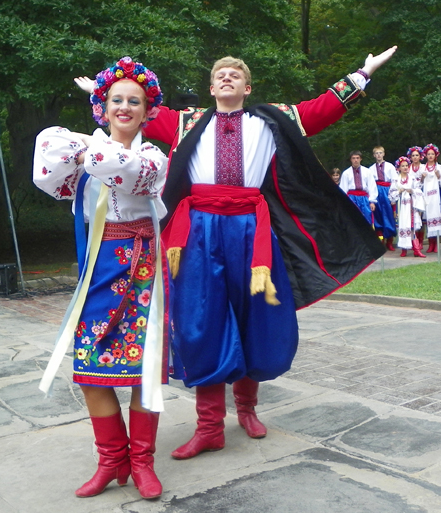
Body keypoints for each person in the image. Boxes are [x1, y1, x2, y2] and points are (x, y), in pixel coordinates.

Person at [75, 46, 396, 461]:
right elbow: (134, 108)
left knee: (255, 317)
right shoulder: (185, 121)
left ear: (247, 87)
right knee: (201, 322)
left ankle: (246, 410)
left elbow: (322, 109)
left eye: (235, 75)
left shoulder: (273, 119)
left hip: (252, 229)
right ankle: (208, 427)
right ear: (210, 87)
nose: (227, 78)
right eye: (220, 74)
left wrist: (363, 73)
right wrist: (101, 90)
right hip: (198, 232)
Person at [34, 57, 169, 499]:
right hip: (98, 267)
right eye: (116, 99)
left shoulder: (152, 156)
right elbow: (49, 166)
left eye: (135, 100)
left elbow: (125, 171)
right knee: (91, 369)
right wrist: (80, 142)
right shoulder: (83, 155)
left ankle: (143, 462)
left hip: (142, 266)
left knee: (143, 368)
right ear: (102, 107)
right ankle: (112, 460)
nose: (125, 106)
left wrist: (85, 142)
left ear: (149, 110)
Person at [388, 156, 425, 257]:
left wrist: (412, 191)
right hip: (401, 206)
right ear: (398, 168)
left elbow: (419, 190)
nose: (405, 167)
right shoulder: (396, 180)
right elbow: (391, 194)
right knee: (402, 226)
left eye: (406, 166)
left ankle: (416, 249)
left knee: (412, 227)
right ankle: (403, 249)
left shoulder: (412, 178)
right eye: (402, 166)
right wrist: (399, 192)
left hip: (410, 206)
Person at [369, 146, 397, 250]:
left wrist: (393, 197)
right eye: (376, 153)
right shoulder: (371, 169)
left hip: (387, 190)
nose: (379, 155)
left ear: (384, 154)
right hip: (377, 191)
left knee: (389, 215)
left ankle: (390, 241)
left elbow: (394, 181)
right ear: (374, 155)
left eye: (380, 153)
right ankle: (381, 240)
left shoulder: (390, 166)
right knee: (378, 215)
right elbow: (370, 184)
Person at [339, 150, 378, 224]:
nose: (355, 160)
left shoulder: (367, 171)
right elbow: (343, 189)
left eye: (357, 158)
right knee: (352, 218)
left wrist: (372, 201)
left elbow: (372, 186)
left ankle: (367, 234)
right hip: (351, 198)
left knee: (366, 218)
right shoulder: (346, 173)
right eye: (353, 158)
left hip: (364, 198)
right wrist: (344, 202)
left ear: (360, 159)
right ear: (350, 160)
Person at [421, 143, 441, 253]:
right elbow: (418, 184)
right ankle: (430, 244)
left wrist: (439, 176)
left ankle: (437, 244)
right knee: (428, 219)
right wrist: (422, 178)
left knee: (436, 218)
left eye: (432, 154)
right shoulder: (423, 168)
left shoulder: (439, 167)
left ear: (435, 155)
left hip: (436, 197)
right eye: (428, 154)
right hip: (427, 196)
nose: (430, 156)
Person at [407, 146, 426, 248]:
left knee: (422, 217)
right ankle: (416, 240)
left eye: (416, 155)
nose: (415, 157)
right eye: (413, 155)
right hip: (412, 195)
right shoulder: (408, 168)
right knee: (415, 217)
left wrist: (423, 178)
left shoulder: (424, 167)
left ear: (420, 156)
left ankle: (422, 240)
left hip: (422, 193)